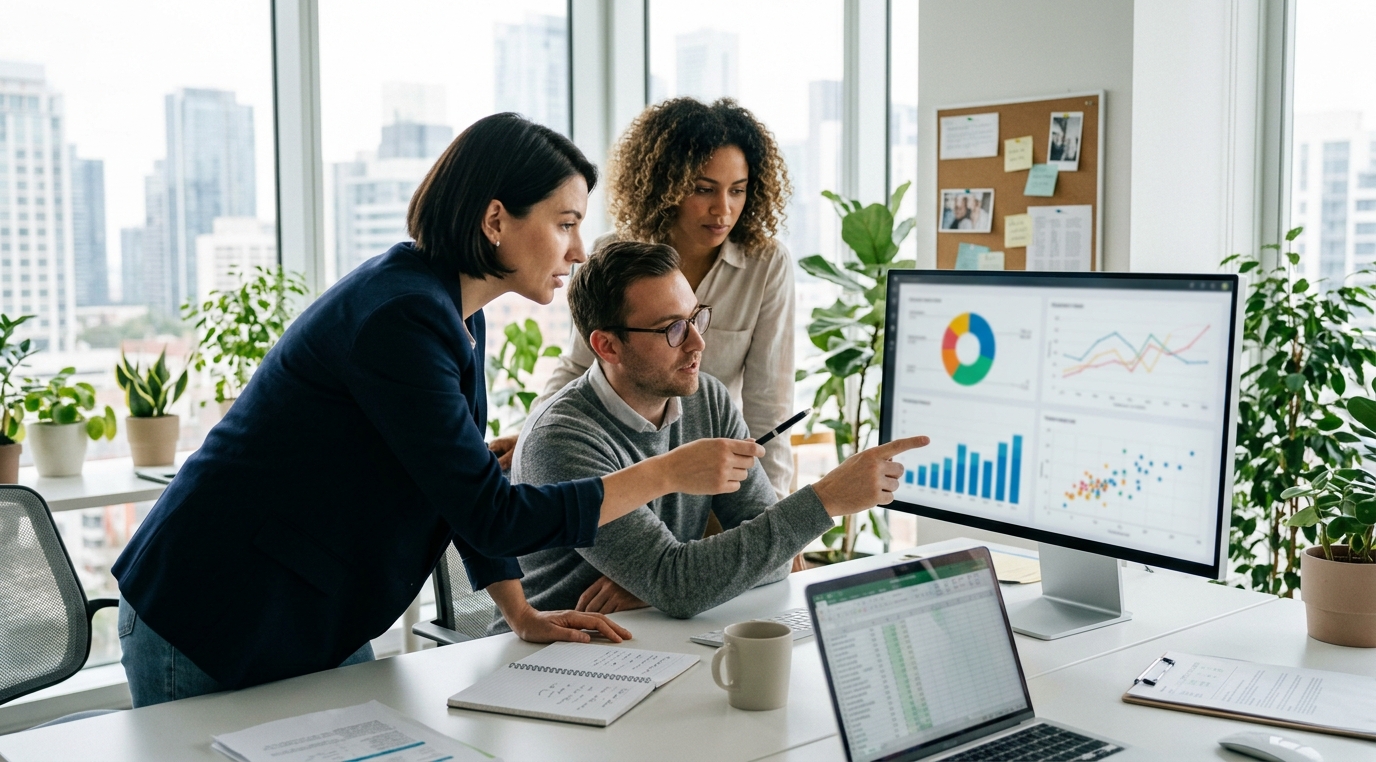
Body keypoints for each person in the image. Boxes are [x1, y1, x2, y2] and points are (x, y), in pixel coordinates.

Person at [110, 114, 762, 707]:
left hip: (306, 610)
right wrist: (666, 473)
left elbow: (461, 488)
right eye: (565, 223)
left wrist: (520, 613)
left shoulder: (454, 315)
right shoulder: (401, 319)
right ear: (496, 221)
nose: (579, 250)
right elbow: (493, 514)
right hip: (215, 609)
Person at [486, 241, 928, 630]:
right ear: (608, 346)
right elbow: (681, 586)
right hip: (550, 657)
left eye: (696, 318)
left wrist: (664, 583)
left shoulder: (708, 399)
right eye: (673, 329)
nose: (697, 343)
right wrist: (826, 499)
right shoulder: (562, 440)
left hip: (654, 637)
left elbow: (772, 558)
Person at [491, 98, 798, 498]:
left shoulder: (766, 264)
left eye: (737, 191)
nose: (723, 209)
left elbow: (769, 405)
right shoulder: (612, 254)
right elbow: (581, 364)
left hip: (713, 472)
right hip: (622, 461)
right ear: (667, 186)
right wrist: (537, 437)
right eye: (704, 189)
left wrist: (775, 508)